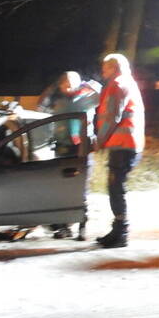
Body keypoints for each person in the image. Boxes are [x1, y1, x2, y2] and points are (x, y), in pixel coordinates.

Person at [37, 71, 101, 240]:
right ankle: (64, 227)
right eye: (64, 84)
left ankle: (82, 227)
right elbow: (41, 107)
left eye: (72, 83)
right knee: (62, 188)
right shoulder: (58, 102)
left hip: (83, 147)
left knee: (81, 189)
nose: (68, 87)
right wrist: (50, 89)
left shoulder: (87, 97)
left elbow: (105, 95)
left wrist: (89, 84)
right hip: (62, 147)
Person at [94, 53, 145, 248]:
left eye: (105, 68)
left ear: (113, 68)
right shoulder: (128, 82)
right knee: (116, 187)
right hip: (128, 144)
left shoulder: (117, 84)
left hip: (122, 145)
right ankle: (117, 229)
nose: (102, 71)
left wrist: (100, 141)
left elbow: (113, 117)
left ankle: (121, 232)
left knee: (116, 188)